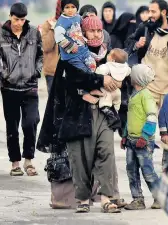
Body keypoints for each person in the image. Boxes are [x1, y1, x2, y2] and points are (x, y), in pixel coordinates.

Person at [37, 14, 126, 211]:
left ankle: (106, 198)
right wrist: (99, 81)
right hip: (78, 112)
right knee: (80, 158)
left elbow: (122, 77)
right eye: (91, 30)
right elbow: (69, 81)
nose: (95, 34)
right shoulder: (71, 55)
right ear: (83, 32)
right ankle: (83, 199)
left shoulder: (108, 54)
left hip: (104, 112)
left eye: (98, 30)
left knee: (106, 153)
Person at [0, 2, 43, 177]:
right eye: (16, 19)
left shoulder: (34, 33)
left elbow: (41, 54)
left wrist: (37, 71)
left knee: (31, 122)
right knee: (12, 127)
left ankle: (29, 160)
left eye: (22, 19)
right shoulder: (0, 35)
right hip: (9, 88)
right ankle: (15, 163)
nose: (19, 23)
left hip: (30, 86)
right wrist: (4, 74)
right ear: (10, 16)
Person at [126, 0, 168, 109]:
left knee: (165, 126)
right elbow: (128, 42)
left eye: (153, 12)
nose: (150, 15)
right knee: (148, 125)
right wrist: (137, 44)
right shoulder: (145, 27)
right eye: (149, 11)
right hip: (146, 89)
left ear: (163, 12)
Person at [120, 64, 160, 210]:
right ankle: (138, 199)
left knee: (148, 171)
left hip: (143, 141)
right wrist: (125, 135)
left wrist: (145, 136)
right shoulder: (134, 94)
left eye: (132, 75)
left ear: (138, 78)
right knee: (131, 171)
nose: (130, 77)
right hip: (131, 141)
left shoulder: (146, 95)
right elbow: (131, 118)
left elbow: (151, 117)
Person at [54, 0, 96, 73]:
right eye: (67, 7)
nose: (70, 10)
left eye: (73, 7)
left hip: (83, 51)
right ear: (63, 9)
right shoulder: (61, 22)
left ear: (77, 8)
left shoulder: (77, 16)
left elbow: (81, 22)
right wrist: (70, 46)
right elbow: (58, 37)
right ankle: (84, 84)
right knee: (82, 72)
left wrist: (86, 18)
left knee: (92, 66)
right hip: (71, 56)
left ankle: (90, 82)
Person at [95, 48, 131, 116]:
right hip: (117, 90)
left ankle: (105, 107)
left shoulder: (107, 66)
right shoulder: (125, 67)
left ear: (113, 60)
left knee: (105, 96)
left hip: (108, 89)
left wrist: (96, 71)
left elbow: (99, 71)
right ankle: (116, 109)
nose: (107, 54)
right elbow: (129, 71)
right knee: (118, 99)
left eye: (109, 54)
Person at [40, 0, 62, 92]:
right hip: (52, 72)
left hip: (71, 71)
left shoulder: (75, 23)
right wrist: (54, 28)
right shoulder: (48, 24)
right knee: (54, 104)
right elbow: (46, 47)